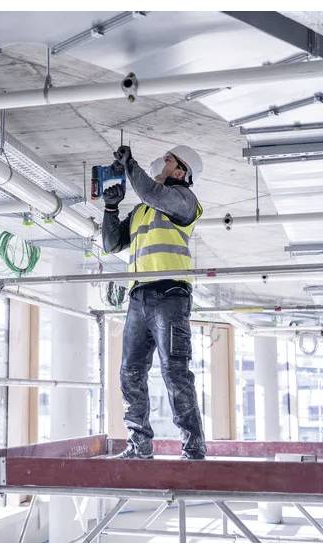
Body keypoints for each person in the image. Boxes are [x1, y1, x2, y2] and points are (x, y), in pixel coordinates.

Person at [102, 144, 207, 460]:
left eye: (170, 160)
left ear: (181, 172)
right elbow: (111, 244)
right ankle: (139, 445)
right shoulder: (142, 211)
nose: (163, 161)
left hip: (170, 295)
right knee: (130, 372)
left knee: (174, 371)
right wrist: (110, 208)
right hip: (139, 298)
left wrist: (130, 164)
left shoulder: (184, 202)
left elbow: (152, 193)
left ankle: (194, 448)